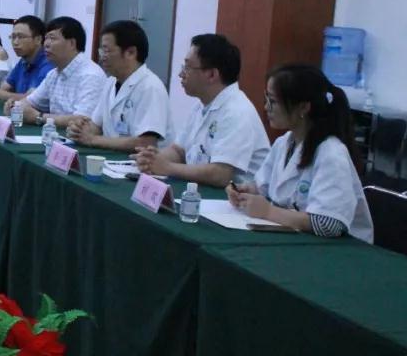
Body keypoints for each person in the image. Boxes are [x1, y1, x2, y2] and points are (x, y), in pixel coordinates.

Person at [228, 64, 373, 242]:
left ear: (303, 107)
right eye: (267, 99)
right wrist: (244, 191)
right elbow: (264, 188)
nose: (266, 107)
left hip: (340, 250)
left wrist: (268, 212)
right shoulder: (284, 143)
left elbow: (328, 223)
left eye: (273, 101)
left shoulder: (331, 153)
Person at [134, 34, 269, 187]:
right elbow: (179, 151)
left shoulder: (237, 111)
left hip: (235, 197)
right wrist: (151, 159)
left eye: (187, 68)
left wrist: (168, 168)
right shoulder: (203, 105)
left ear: (212, 75)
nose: (181, 74)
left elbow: (220, 174)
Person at [68, 20, 170, 151]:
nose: (102, 57)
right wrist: (80, 130)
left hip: (139, 161)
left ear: (131, 52)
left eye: (107, 51)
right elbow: (96, 125)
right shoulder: (111, 81)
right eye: (101, 51)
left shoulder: (151, 87)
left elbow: (145, 143)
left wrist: (92, 139)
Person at [9, 16, 105, 130]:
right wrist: (16, 106)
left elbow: (82, 120)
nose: (46, 44)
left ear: (72, 43)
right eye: (46, 38)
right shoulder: (53, 74)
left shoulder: (90, 75)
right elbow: (30, 102)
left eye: (52, 38)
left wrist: (39, 117)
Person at [0, 15, 54, 102]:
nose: (15, 42)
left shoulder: (48, 64)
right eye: (13, 37)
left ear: (38, 39)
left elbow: (31, 99)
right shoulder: (23, 61)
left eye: (21, 37)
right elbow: (4, 88)